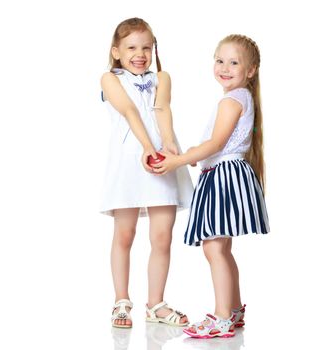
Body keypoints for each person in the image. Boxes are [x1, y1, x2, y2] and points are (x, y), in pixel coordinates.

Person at [153, 34, 270, 338]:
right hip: (225, 172)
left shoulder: (232, 100)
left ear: (251, 70)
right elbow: (217, 144)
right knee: (222, 247)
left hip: (224, 176)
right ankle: (232, 309)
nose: (225, 67)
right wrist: (196, 155)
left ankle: (222, 317)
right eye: (220, 60)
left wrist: (181, 160)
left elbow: (217, 143)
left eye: (234, 62)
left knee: (214, 246)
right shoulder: (240, 97)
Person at [99, 17, 193, 328]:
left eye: (146, 47)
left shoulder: (162, 78)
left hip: (161, 160)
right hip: (129, 160)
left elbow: (162, 109)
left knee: (162, 236)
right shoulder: (109, 79)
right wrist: (146, 147)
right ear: (116, 51)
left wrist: (166, 145)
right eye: (131, 48)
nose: (140, 54)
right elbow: (129, 110)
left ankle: (156, 304)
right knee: (124, 234)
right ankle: (121, 301)